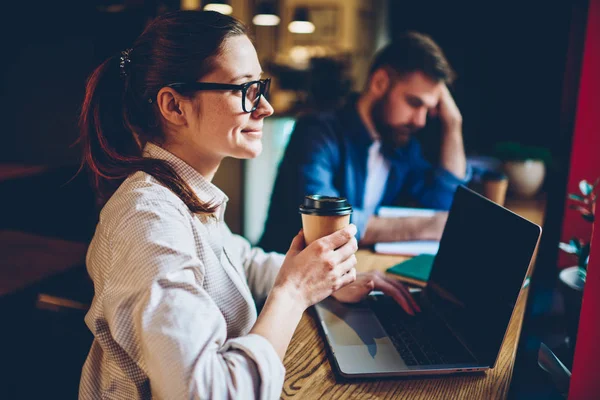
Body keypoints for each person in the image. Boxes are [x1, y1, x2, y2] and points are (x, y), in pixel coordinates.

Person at [77, 10, 419, 399]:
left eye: (261, 86)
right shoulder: (148, 221)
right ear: (174, 106)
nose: (265, 107)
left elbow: (243, 263)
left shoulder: (184, 196)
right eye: (245, 89)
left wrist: (328, 281)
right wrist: (293, 292)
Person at [259, 32, 471, 254]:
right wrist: (425, 226)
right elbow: (325, 223)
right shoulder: (317, 131)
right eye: (414, 103)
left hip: (349, 273)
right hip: (282, 278)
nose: (420, 121)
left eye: (429, 109)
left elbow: (445, 205)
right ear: (380, 83)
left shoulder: (400, 145)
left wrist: (454, 124)